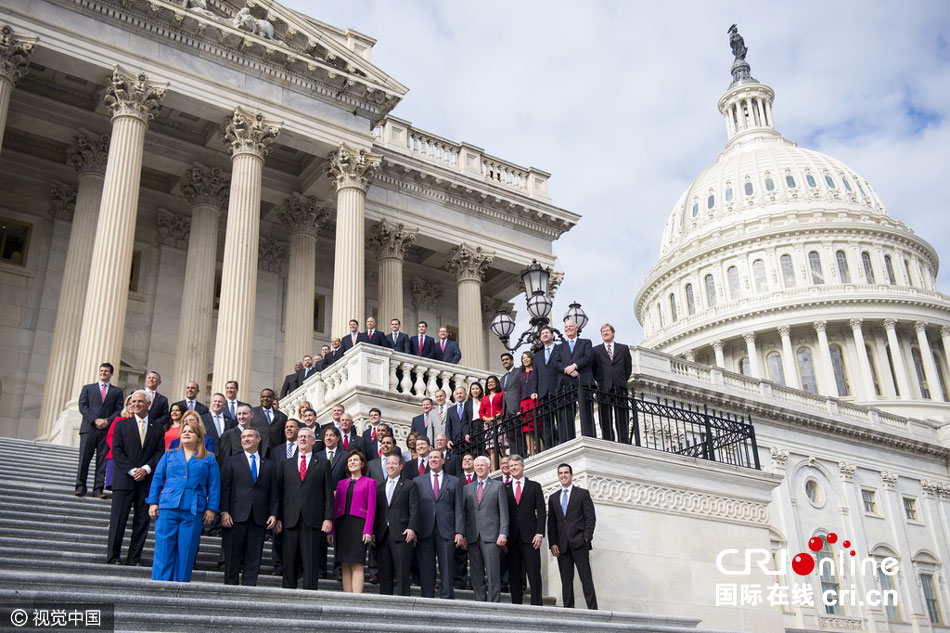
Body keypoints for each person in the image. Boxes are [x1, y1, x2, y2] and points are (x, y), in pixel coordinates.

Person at [146, 413, 218, 581]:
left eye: (191, 432)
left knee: (186, 552)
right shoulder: (170, 454)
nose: (186, 433)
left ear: (198, 437)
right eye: (184, 431)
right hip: (168, 507)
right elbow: (157, 478)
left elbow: (214, 485)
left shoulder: (208, 458)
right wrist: (153, 502)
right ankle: (159, 585)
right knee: (163, 550)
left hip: (193, 509)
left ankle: (180, 587)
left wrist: (212, 508)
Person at [108, 390, 164, 565]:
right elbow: (116, 450)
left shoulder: (157, 427)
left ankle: (134, 558)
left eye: (140, 401)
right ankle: (113, 556)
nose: (136, 404)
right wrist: (133, 470)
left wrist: (146, 469)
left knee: (142, 521)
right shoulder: (121, 425)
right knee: (118, 520)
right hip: (124, 479)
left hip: (146, 481)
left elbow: (159, 452)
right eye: (133, 402)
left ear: (148, 404)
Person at [277, 427, 334, 590]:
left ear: (312, 441)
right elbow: (279, 493)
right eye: (300, 437)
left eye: (306, 437)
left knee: (310, 560)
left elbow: (328, 493)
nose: (302, 439)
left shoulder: (323, 463)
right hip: (290, 518)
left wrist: (328, 518)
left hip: (313, 518)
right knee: (289, 559)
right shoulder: (285, 464)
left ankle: (310, 593)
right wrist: (278, 517)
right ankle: (288, 592)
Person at [220, 427, 278, 586]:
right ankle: (230, 589)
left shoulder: (269, 465)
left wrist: (273, 514)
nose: (245, 439)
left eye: (249, 436)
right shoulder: (232, 461)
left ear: (258, 439)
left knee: (254, 556)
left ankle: (249, 589)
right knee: (232, 556)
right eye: (243, 437)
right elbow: (224, 489)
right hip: (235, 517)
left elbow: (273, 492)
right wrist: (224, 511)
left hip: (259, 518)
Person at [414, 448, 464, 599]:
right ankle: (427, 596)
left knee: (447, 565)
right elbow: (414, 509)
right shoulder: (418, 481)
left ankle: (447, 596)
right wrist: (414, 530)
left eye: (436, 457)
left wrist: (459, 531)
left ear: (443, 460)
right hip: (425, 529)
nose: (433, 460)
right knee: (426, 565)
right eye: (431, 458)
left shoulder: (454, 481)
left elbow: (459, 508)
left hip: (447, 529)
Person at [548, 463, 597, 610]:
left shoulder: (582, 494)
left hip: (579, 542)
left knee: (586, 579)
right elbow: (551, 523)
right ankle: (569, 611)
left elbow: (591, 517)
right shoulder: (553, 498)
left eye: (566, 473)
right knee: (566, 581)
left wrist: (586, 537)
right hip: (561, 546)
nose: (563, 475)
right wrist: (552, 544)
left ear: (571, 475)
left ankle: (593, 610)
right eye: (560, 473)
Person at [329, 450, 377, 593]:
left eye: (355, 460)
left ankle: (356, 600)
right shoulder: (341, 484)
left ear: (362, 464)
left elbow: (372, 507)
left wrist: (368, 530)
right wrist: (331, 530)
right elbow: (335, 507)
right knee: (344, 563)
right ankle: (347, 598)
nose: (352, 463)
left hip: (359, 525)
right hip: (342, 525)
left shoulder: (370, 482)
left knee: (357, 563)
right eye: (350, 461)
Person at [462, 455, 508, 602]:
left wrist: (503, 533)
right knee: (476, 571)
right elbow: (464, 513)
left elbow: (504, 512)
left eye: (482, 465)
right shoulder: (467, 488)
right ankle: (480, 600)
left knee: (493, 571)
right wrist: (462, 534)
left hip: (492, 535)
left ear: (489, 468)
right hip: (473, 535)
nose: (480, 468)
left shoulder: (498, 486)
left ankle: (494, 602)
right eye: (477, 466)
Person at [75, 362, 124, 498]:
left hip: (106, 431)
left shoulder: (117, 391)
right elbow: (82, 406)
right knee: (84, 459)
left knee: (102, 461)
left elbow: (119, 409)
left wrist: (107, 420)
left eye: (106, 371)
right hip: (89, 429)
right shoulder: (88, 388)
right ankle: (80, 486)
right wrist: (95, 420)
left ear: (111, 374)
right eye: (101, 370)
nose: (103, 373)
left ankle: (98, 489)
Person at [373, 454, 418, 595]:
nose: (390, 466)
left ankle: (403, 603)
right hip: (382, 534)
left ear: (401, 466)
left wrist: (412, 528)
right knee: (384, 573)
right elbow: (376, 511)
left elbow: (414, 508)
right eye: (388, 463)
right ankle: (385, 604)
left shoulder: (410, 484)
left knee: (402, 572)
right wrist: (373, 531)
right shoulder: (379, 487)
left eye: (394, 463)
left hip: (402, 533)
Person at [504, 454, 545, 605]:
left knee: (534, 573)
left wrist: (539, 533)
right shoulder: (504, 488)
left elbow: (541, 512)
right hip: (512, 538)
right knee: (514, 574)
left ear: (522, 466)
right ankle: (516, 606)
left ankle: (537, 605)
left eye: (516, 465)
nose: (513, 468)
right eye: (511, 466)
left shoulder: (534, 486)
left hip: (531, 538)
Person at [552, 319, 595, 440]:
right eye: (566, 327)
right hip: (566, 384)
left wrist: (574, 366)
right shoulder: (559, 347)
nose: (568, 329)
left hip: (583, 380)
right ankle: (568, 440)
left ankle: (589, 437)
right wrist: (568, 369)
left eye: (571, 326)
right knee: (567, 414)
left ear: (576, 328)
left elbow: (588, 357)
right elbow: (556, 363)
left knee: (586, 411)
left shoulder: (586, 342)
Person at [592, 323, 633, 443]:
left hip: (619, 386)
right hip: (603, 387)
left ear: (613, 333)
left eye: (607, 331)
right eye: (603, 331)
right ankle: (608, 440)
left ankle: (624, 441)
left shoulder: (623, 348)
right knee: (605, 418)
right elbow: (594, 369)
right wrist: (600, 380)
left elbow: (628, 368)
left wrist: (621, 380)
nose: (605, 333)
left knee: (622, 416)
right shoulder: (596, 350)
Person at [533, 326, 560, 448]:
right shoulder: (537, 355)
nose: (544, 335)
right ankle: (549, 446)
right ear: (540, 338)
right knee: (546, 423)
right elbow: (535, 375)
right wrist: (534, 391)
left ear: (552, 335)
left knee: (560, 419)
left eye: (547, 333)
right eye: (542, 333)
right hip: (543, 393)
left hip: (558, 389)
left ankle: (562, 442)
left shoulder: (560, 349)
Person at [479, 376, 504, 463]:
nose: (490, 383)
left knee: (500, 448)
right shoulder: (484, 398)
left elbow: (503, 408)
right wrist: (487, 419)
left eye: (492, 382)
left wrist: (495, 417)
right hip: (488, 424)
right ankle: (494, 470)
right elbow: (481, 412)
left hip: (499, 422)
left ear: (497, 383)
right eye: (488, 382)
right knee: (491, 449)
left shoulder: (501, 394)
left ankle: (502, 468)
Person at [250, 388, 284, 452]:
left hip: (275, 452)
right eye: (263, 397)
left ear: (273, 398)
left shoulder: (282, 417)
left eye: (268, 397)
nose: (265, 398)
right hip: (257, 450)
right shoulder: (252, 413)